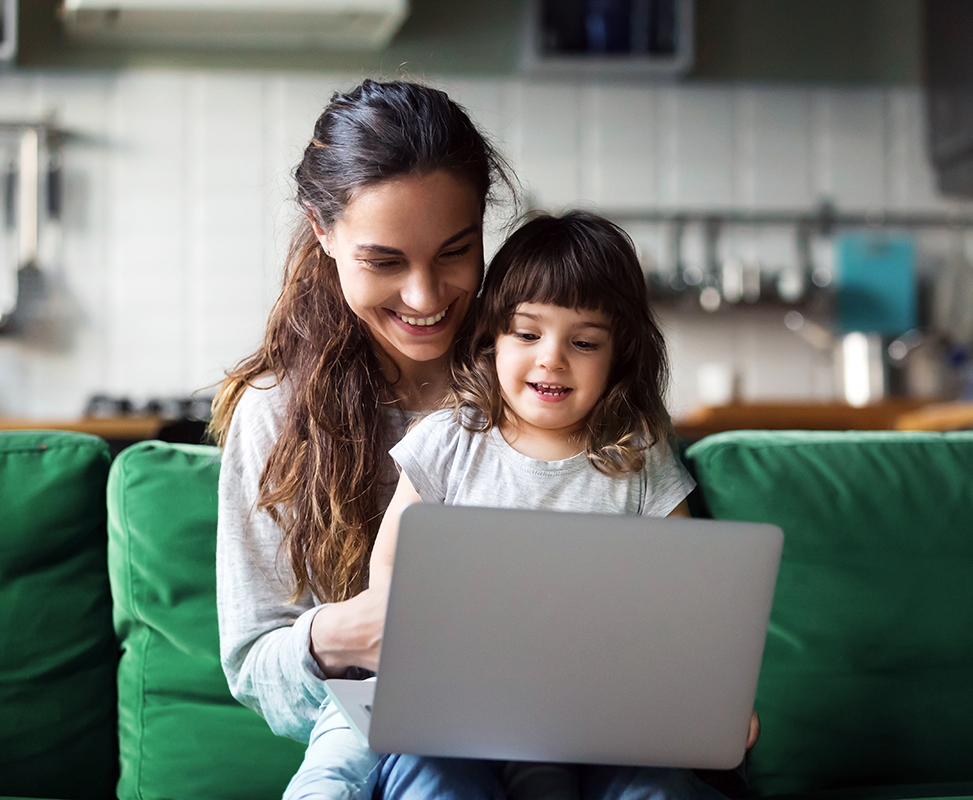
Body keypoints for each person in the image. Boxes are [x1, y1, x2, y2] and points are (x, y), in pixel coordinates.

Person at [214, 79, 754, 800]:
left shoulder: (548, 375)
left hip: (585, 728)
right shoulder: (276, 412)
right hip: (410, 737)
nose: (426, 297)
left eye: (454, 252)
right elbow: (254, 664)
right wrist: (341, 636)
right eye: (384, 261)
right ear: (323, 232)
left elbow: (669, 587)